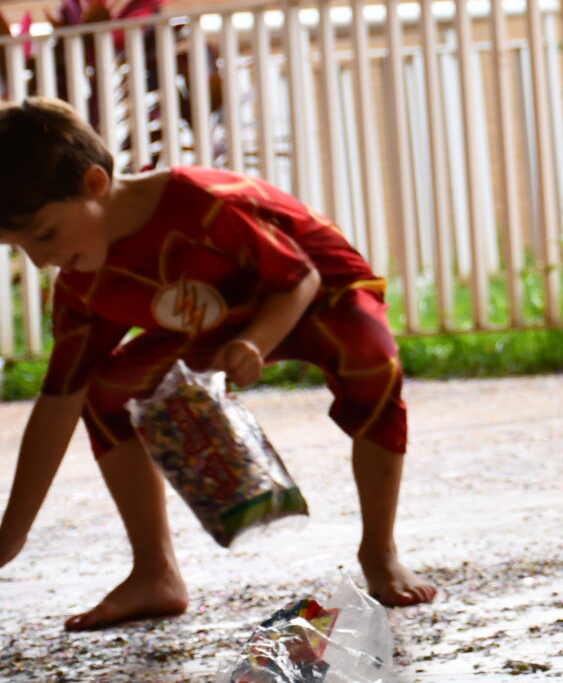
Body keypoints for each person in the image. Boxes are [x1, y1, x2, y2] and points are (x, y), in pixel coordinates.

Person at [0, 97, 437, 630]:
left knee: (370, 359)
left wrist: (255, 342)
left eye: (43, 234)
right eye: (17, 246)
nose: (39, 260)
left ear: (94, 184)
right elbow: (58, 401)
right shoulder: (83, 285)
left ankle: (379, 551)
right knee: (107, 387)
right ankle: (154, 573)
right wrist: (11, 538)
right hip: (215, 320)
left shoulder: (201, 203)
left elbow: (298, 278)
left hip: (316, 292)